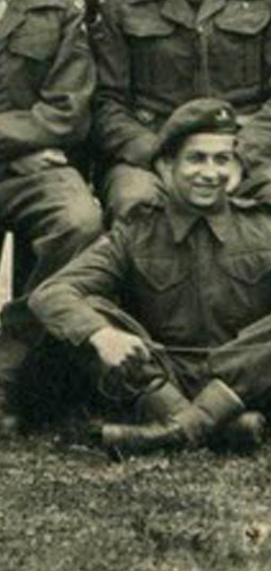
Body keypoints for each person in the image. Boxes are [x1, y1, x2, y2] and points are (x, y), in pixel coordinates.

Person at [29, 99, 271, 454]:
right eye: (196, 159)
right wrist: (101, 334)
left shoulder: (265, 227)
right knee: (89, 312)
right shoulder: (137, 229)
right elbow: (51, 293)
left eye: (222, 159)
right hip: (162, 377)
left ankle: (174, 432)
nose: (210, 172)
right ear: (167, 166)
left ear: (236, 167)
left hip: (242, 374)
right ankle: (222, 427)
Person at [88, 0, 271, 255]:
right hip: (154, 151)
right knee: (133, 200)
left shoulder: (270, 5)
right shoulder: (120, 7)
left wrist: (239, 156)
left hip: (247, 145)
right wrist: (159, 156)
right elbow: (106, 105)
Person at [0, 0, 103, 434]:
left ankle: (9, 367)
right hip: (26, 154)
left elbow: (67, 111)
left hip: (33, 167)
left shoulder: (55, 9)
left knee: (77, 220)